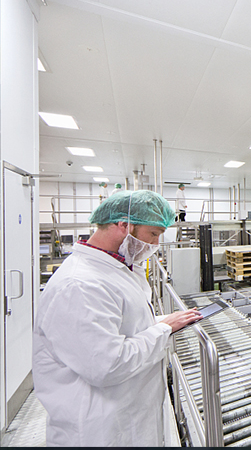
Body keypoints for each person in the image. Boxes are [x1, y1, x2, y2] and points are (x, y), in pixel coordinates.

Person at [32, 190, 202, 447]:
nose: (155, 244)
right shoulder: (80, 284)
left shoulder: (115, 269)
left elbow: (120, 327)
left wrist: (162, 321)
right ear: (124, 225)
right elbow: (107, 365)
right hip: (99, 431)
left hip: (125, 418)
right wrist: (163, 329)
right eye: (153, 234)